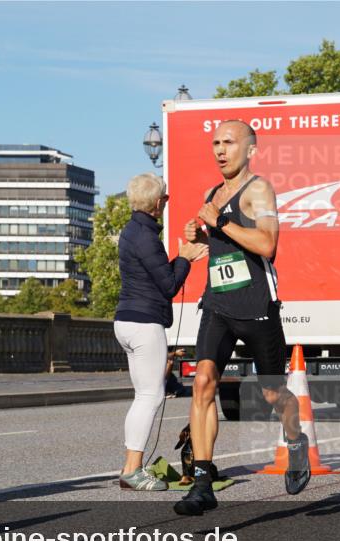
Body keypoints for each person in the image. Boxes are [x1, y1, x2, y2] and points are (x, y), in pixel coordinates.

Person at [179, 119, 307, 516]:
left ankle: (296, 441)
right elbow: (223, 245)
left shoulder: (258, 189)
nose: (220, 150)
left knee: (273, 393)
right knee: (203, 382)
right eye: (215, 142)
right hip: (218, 303)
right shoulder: (212, 193)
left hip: (256, 306)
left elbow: (267, 245)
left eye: (229, 142)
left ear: (250, 149)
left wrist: (220, 221)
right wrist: (201, 238)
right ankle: (203, 482)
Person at [114, 173, 207, 491]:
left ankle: (129, 467)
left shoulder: (131, 231)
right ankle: (133, 471)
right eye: (165, 197)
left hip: (126, 320)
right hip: (144, 324)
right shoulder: (146, 236)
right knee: (150, 397)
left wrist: (179, 258)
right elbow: (168, 285)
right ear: (159, 202)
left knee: (142, 396)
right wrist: (185, 258)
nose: (166, 201)